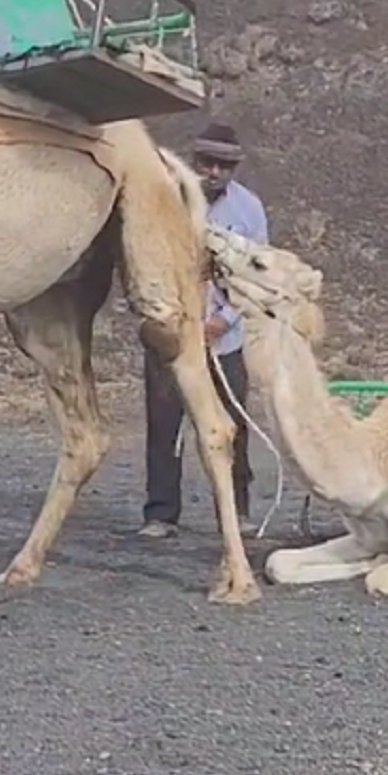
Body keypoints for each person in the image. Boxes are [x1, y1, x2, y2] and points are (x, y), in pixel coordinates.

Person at [141, 120, 269, 539]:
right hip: (172, 335)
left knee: (233, 422)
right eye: (206, 163)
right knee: (164, 423)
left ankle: (238, 511)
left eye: (222, 165)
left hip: (223, 338)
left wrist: (222, 321)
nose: (213, 172)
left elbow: (255, 275)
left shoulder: (248, 209)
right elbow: (146, 263)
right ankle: (161, 514)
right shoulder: (164, 201)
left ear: (233, 168)